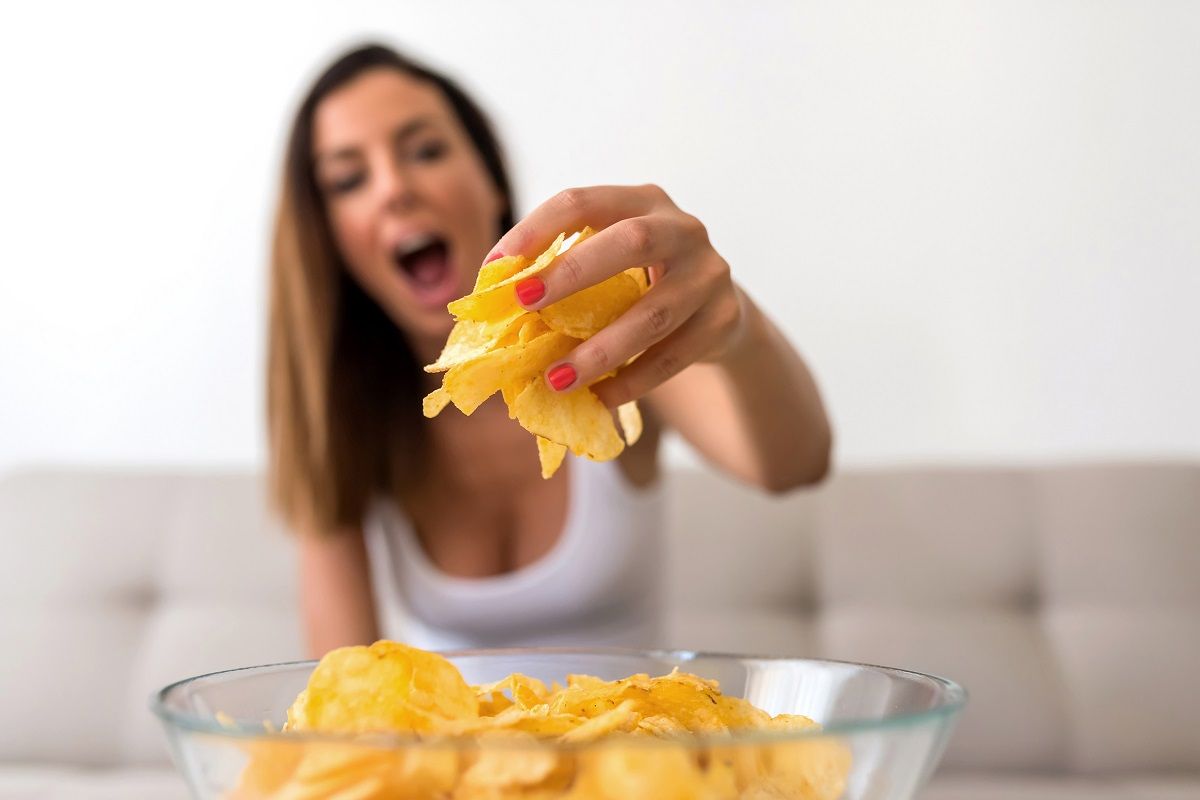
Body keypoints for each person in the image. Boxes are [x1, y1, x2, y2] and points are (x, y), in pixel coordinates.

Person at [267, 43, 831, 657]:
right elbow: (339, 682)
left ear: (491, 185)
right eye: (348, 180)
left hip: (637, 723)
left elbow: (795, 464)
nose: (394, 188)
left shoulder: (611, 341)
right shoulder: (343, 415)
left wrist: (736, 328)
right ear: (329, 240)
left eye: (425, 150)